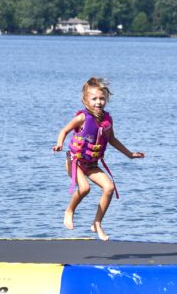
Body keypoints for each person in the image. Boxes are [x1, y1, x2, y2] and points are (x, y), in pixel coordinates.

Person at [52, 77, 144, 241]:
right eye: (94, 99)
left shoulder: (107, 120)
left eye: (102, 98)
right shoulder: (82, 118)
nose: (98, 102)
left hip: (92, 163)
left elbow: (112, 140)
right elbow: (64, 131)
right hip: (75, 161)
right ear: (86, 100)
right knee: (85, 188)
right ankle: (69, 210)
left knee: (109, 187)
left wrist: (130, 154)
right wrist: (59, 144)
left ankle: (97, 223)